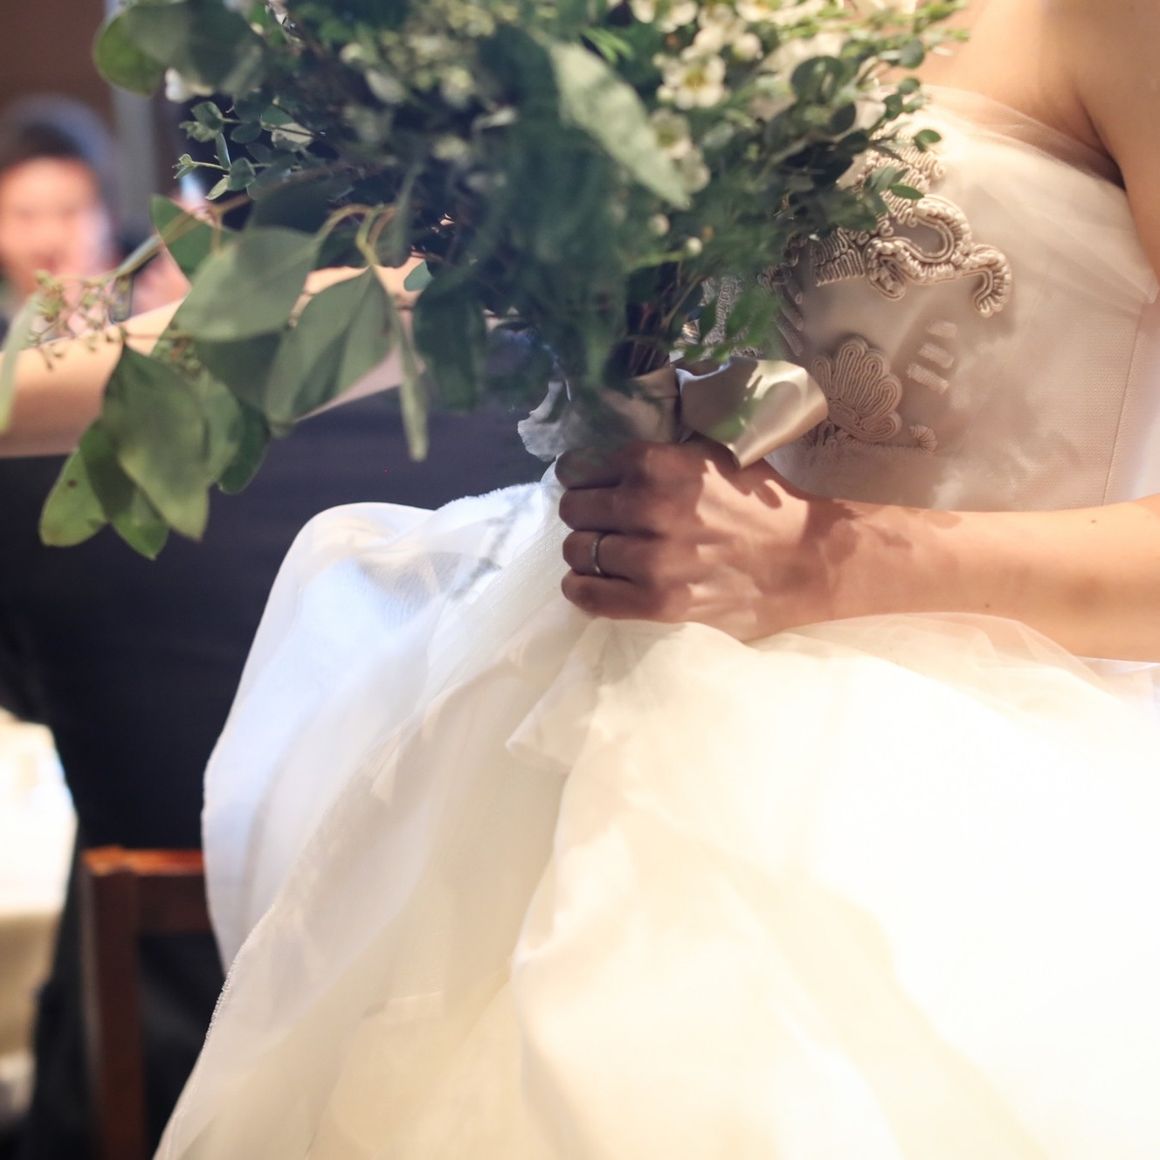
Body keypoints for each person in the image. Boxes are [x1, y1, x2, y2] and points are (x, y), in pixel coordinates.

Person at [8, 0, 1160, 1153]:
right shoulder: (696, 25)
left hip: (969, 784)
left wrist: (818, 557)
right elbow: (366, 315)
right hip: (614, 719)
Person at [0, 101, 541, 1157]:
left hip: (147, 1057)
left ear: (208, 216)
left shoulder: (51, 447)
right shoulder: (544, 430)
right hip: (467, 1052)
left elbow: (25, 688)